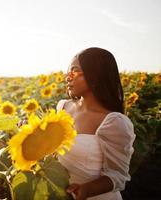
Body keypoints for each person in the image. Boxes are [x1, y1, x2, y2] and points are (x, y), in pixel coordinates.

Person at [56, 47, 136, 200]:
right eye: (68, 71)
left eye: (74, 71)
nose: (68, 76)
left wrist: (87, 189)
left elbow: (117, 176)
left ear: (95, 75)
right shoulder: (63, 108)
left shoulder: (113, 122)